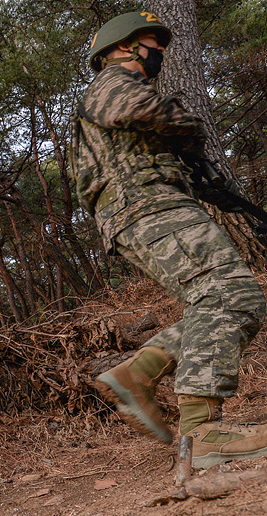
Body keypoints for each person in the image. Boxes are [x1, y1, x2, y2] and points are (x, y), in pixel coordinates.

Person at [72, 11, 267, 469]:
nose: (159, 51)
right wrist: (190, 129)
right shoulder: (112, 82)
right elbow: (137, 110)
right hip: (146, 206)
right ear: (124, 48)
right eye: (151, 43)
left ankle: (137, 375)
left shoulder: (121, 91)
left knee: (227, 298)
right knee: (229, 295)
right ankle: (203, 434)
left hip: (148, 207)